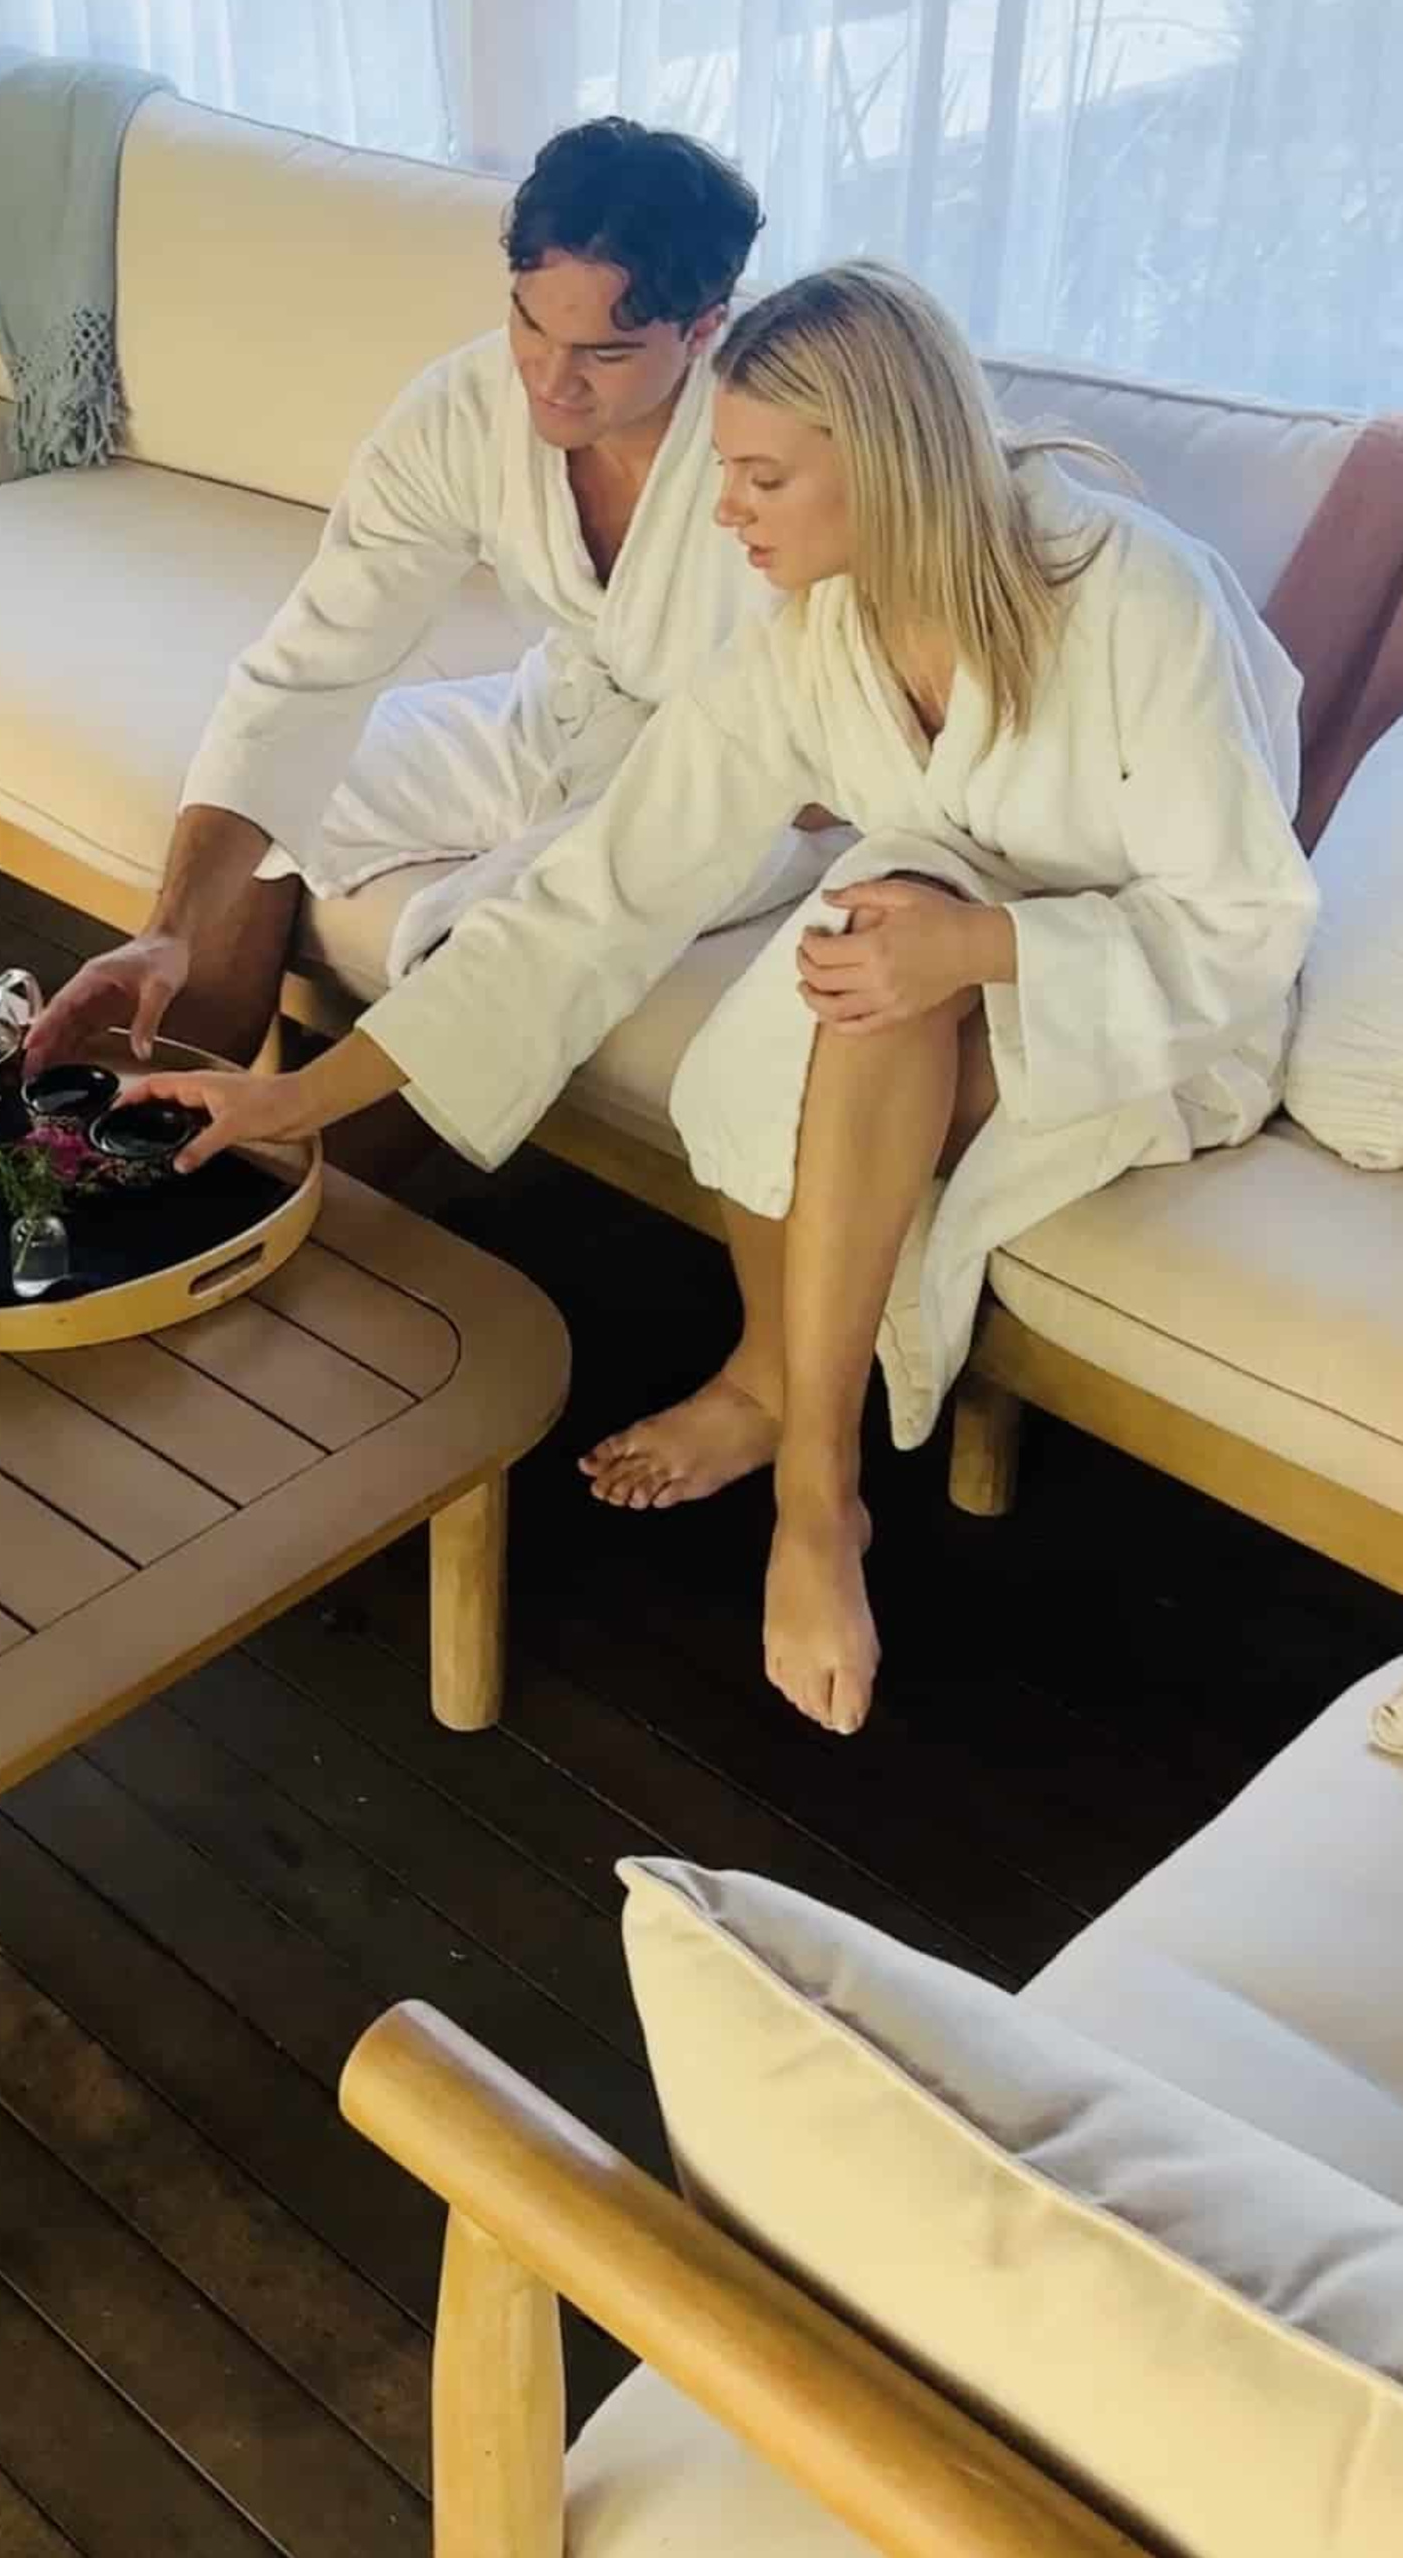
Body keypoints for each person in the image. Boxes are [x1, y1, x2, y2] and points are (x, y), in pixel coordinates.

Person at [132, 263, 1318, 1740]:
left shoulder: (1132, 596)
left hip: (1153, 993)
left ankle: (816, 1498)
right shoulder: (813, 636)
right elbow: (600, 893)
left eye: (758, 475)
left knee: (885, 942)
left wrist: (984, 951)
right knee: (867, 926)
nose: (725, 508)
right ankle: (783, 1402)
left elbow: (1249, 924)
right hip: (935, 950)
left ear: (882, 462)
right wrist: (304, 1094)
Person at [27, 119, 829, 1117]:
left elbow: (841, 729)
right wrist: (170, 927)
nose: (548, 378)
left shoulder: (791, 435)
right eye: (530, 324)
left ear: (705, 326)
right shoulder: (464, 408)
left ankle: (304, 1199)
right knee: (271, 804)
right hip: (562, 715)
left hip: (741, 798)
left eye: (603, 352)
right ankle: (169, 1136)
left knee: (482, 940)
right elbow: (310, 672)